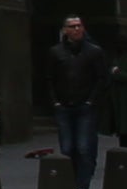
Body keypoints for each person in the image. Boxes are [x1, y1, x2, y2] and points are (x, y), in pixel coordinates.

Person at [42, 15, 103, 175]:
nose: (76, 29)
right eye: (72, 26)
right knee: (67, 148)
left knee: (83, 147)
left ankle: (82, 186)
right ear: (65, 30)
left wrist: (91, 101)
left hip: (85, 106)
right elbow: (49, 78)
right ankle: (70, 181)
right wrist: (55, 102)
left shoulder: (93, 51)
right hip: (63, 105)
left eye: (79, 26)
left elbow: (101, 78)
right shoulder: (56, 52)